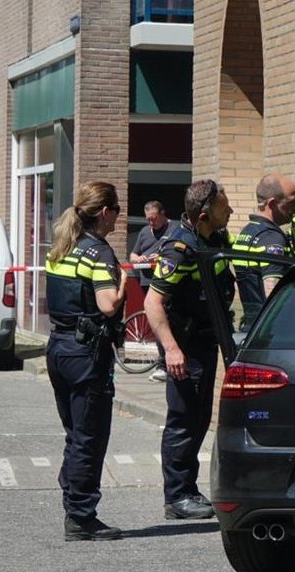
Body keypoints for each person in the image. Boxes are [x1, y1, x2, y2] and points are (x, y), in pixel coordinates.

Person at [144, 178, 234, 521]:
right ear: (205, 212)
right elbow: (154, 302)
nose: (231, 210)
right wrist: (172, 349)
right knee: (183, 421)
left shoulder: (215, 238)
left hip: (207, 343)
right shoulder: (179, 247)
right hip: (186, 347)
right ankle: (177, 496)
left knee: (198, 419)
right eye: (224, 206)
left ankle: (188, 489)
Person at [44, 181, 129, 541]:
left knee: (74, 433)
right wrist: (124, 280)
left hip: (59, 347)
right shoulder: (98, 252)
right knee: (89, 436)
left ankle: (73, 503)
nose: (117, 220)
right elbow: (108, 304)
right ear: (105, 211)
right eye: (117, 212)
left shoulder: (62, 247)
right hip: (86, 354)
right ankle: (80, 515)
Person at [232, 174, 295, 330]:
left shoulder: (248, 232)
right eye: (291, 202)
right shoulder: (272, 238)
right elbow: (272, 289)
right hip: (270, 330)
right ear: (272, 204)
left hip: (251, 324)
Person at [128, 199, 172, 276]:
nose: (151, 223)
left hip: (164, 278)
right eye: (148, 219)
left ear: (162, 214)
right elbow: (133, 255)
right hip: (145, 281)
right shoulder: (144, 231)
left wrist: (161, 258)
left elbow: (180, 256)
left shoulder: (174, 230)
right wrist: (138, 259)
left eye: (154, 219)